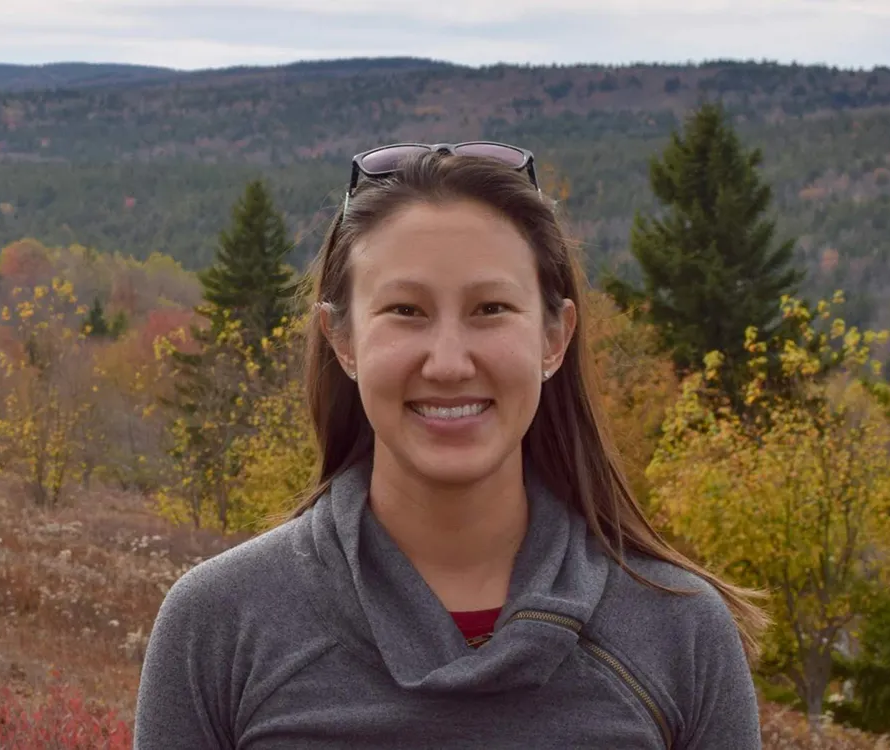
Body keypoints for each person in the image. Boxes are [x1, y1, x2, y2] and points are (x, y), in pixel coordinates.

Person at [134, 142, 768, 749]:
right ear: (342, 339)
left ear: (555, 337)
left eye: (490, 308)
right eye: (406, 311)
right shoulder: (221, 624)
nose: (447, 362)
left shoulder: (678, 631)